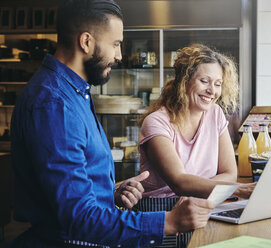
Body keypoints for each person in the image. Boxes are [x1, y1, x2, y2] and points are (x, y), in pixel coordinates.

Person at [9, 1, 214, 247]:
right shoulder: (55, 104)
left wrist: (111, 192)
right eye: (115, 44)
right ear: (86, 42)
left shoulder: (74, 93)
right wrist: (168, 221)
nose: (118, 55)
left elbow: (68, 192)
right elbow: (78, 218)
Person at [135, 44, 256, 247]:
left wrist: (196, 194)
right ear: (184, 82)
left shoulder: (215, 114)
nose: (212, 91)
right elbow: (179, 182)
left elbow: (229, 172)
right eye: (204, 81)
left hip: (203, 205)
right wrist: (240, 190)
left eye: (218, 84)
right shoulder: (156, 122)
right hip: (159, 214)